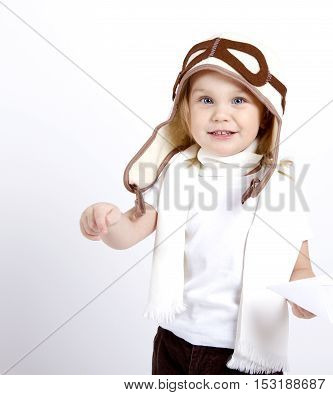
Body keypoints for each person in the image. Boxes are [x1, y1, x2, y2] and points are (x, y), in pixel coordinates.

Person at [79, 35, 316, 375]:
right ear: (185, 112)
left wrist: (305, 296)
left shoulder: (280, 185)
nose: (221, 114)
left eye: (238, 100)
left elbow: (301, 267)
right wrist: (108, 220)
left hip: (244, 356)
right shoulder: (176, 172)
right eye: (206, 100)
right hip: (175, 339)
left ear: (264, 115)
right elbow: (129, 231)